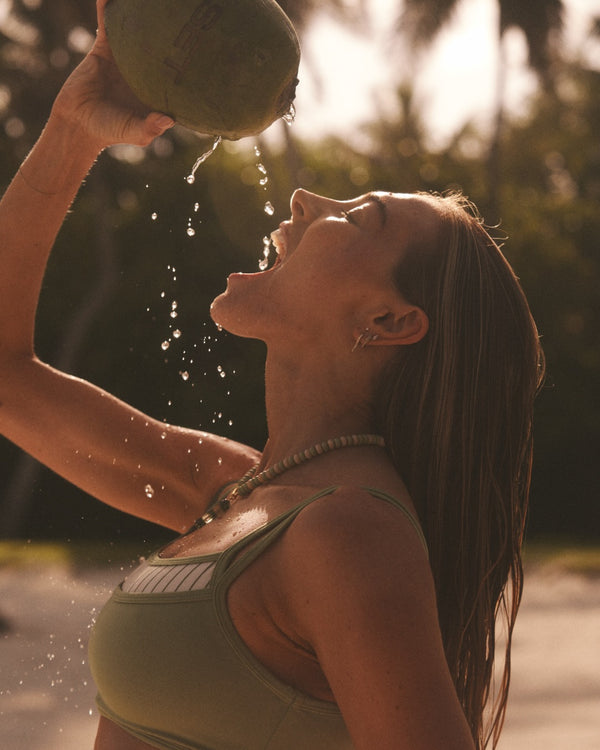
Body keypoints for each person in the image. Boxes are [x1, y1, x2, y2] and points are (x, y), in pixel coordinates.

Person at [0, 2, 544, 749]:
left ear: (388, 322)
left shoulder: (351, 530)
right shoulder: (232, 493)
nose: (305, 199)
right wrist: (74, 129)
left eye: (356, 218)